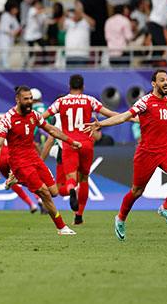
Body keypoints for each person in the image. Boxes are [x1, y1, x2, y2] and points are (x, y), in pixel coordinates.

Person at [84, 70, 167, 241]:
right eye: (162, 80)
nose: (166, 83)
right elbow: (124, 116)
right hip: (146, 153)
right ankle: (120, 218)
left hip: (165, 150)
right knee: (137, 191)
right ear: (154, 84)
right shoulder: (145, 102)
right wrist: (100, 124)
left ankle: (166, 208)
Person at [0, 86, 82, 235]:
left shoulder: (34, 115)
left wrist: (71, 141)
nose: (29, 101)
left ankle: (16, 178)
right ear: (17, 100)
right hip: (19, 161)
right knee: (44, 192)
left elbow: (51, 129)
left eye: (31, 98)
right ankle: (61, 227)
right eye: (26, 99)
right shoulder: (8, 119)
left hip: (33, 158)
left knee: (54, 192)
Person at [40, 74, 119, 225]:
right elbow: (109, 114)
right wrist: (130, 117)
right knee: (83, 179)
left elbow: (42, 117)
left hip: (69, 144)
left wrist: (28, 121)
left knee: (71, 179)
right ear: (83, 88)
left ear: (69, 88)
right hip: (87, 144)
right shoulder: (89, 100)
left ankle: (70, 190)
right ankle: (79, 216)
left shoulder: (61, 101)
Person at [0, 96, 39, 212]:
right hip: (13, 153)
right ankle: (38, 198)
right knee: (26, 176)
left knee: (11, 182)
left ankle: (31, 204)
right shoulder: (5, 117)